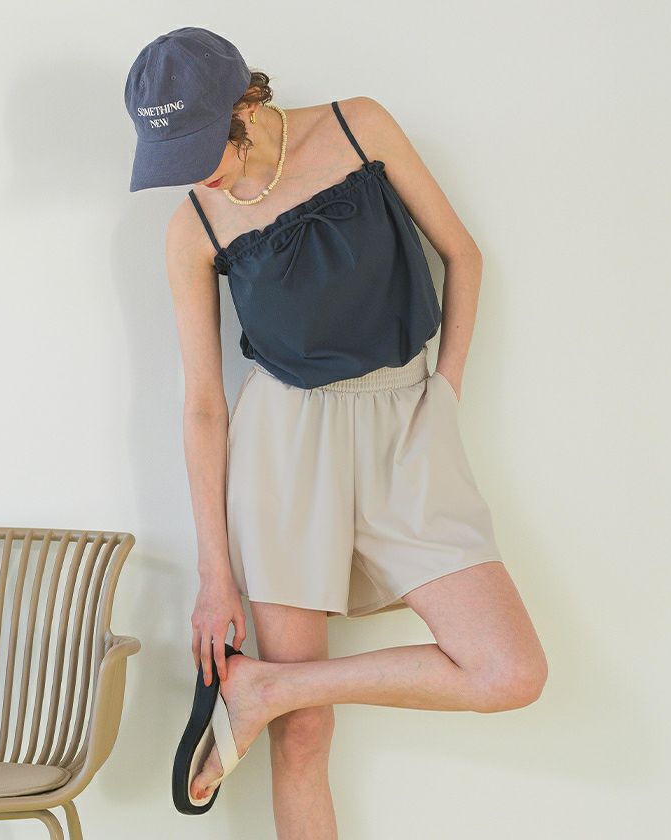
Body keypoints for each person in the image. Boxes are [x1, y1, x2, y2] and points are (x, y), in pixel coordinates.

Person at [125, 26, 548, 835]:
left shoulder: (360, 126)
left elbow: (463, 255)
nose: (192, 172)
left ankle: (268, 688)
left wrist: (445, 395)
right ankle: (278, 698)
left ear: (245, 104)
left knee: (509, 670)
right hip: (285, 450)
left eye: (199, 147)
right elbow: (204, 405)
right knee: (304, 737)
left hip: (407, 430)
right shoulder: (192, 229)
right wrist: (215, 577)